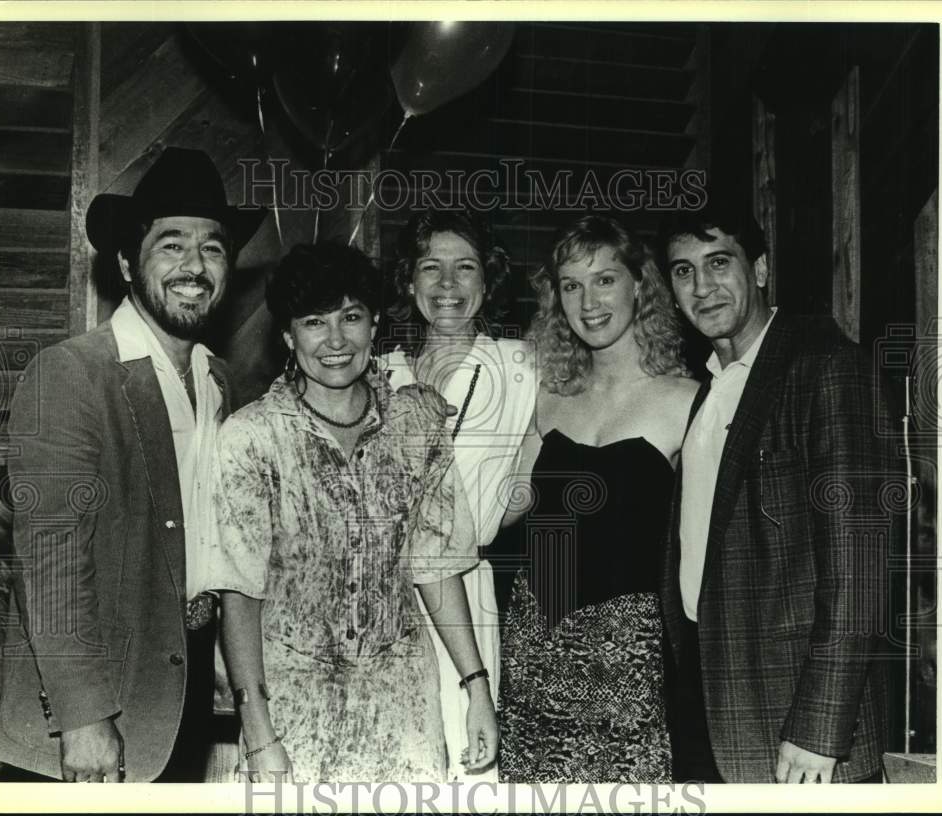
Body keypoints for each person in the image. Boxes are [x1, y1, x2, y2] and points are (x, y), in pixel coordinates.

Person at [0, 147, 264, 782]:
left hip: (181, 694)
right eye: (171, 246)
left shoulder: (217, 380)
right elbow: (49, 560)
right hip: (95, 718)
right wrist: (84, 717)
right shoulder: (72, 373)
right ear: (125, 263)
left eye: (213, 248)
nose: (195, 266)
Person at [208, 242, 498, 782]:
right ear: (289, 337)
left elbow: (436, 566)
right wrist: (258, 733)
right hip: (294, 710)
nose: (336, 340)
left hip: (403, 706)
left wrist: (476, 687)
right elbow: (239, 596)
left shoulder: (417, 421)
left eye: (351, 317)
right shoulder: (252, 437)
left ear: (374, 325)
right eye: (315, 322)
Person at [657, 203, 894, 783]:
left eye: (719, 263)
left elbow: (860, 568)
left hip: (801, 727)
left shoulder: (825, 366)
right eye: (684, 271)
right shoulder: (706, 391)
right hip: (715, 706)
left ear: (759, 270)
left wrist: (819, 729)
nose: (702, 286)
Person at [498, 214, 698, 782]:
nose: (588, 301)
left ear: (641, 284)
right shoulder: (544, 396)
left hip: (631, 664)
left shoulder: (689, 401)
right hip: (535, 645)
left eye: (605, 279)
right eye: (571, 285)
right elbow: (498, 511)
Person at [379, 209, 536, 781]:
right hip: (377, 603)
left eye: (465, 267)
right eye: (431, 268)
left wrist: (474, 528)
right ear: (408, 281)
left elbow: (529, 486)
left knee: (465, 777)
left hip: (466, 596)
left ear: (488, 281)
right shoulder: (376, 374)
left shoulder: (522, 367)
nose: (447, 285)